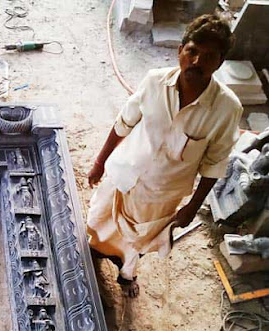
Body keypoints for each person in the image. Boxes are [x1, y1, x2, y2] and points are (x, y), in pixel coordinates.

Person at [87, 15, 242, 297]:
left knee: (139, 242)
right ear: (180, 50)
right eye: (192, 51)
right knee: (100, 221)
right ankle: (94, 253)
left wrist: (192, 207)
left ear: (219, 63)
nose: (196, 61)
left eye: (208, 56)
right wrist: (99, 163)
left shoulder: (226, 109)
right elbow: (124, 123)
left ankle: (126, 275)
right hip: (124, 174)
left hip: (160, 195)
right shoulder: (154, 81)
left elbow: (214, 164)